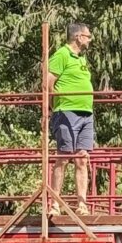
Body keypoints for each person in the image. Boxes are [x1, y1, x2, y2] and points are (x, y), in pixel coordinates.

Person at [45, 22, 94, 215]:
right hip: (66, 111)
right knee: (64, 156)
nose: (90, 40)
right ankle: (55, 204)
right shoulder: (62, 55)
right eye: (88, 36)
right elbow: (48, 83)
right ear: (79, 37)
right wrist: (52, 107)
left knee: (82, 158)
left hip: (86, 112)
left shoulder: (81, 59)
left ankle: (82, 204)